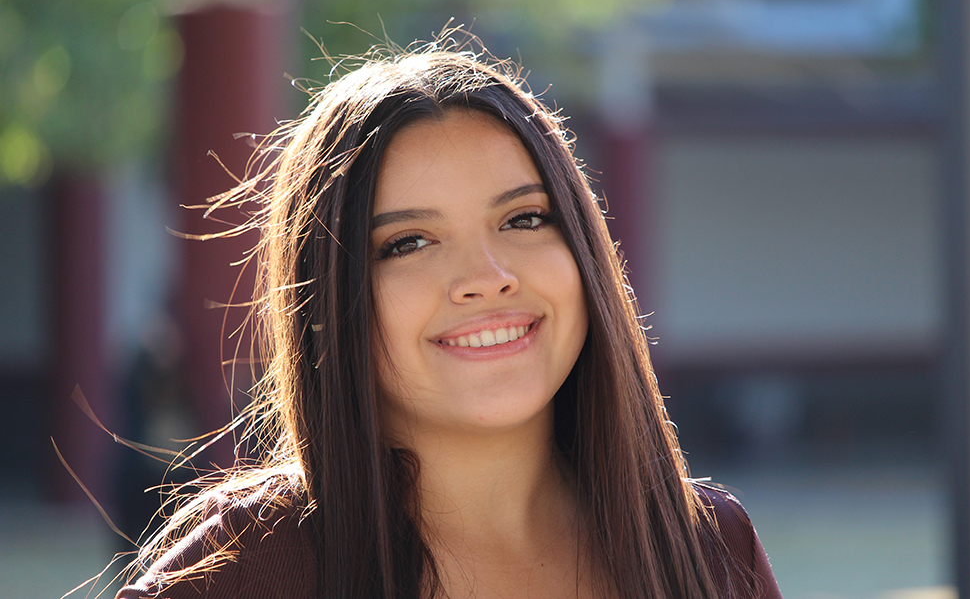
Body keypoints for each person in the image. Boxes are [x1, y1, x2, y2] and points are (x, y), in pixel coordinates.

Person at [116, 35, 782, 599]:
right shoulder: (243, 571)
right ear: (323, 306)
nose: (487, 278)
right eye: (407, 242)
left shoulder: (709, 549)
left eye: (524, 218)